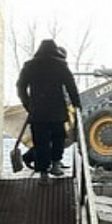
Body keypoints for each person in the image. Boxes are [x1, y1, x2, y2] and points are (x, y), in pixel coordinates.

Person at [16, 39, 81, 185]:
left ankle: (43, 173)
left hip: (38, 111)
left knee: (41, 142)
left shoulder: (30, 65)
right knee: (58, 138)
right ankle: (56, 165)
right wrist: (77, 104)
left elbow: (20, 87)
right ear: (55, 50)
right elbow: (71, 86)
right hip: (57, 111)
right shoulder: (60, 65)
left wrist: (28, 104)